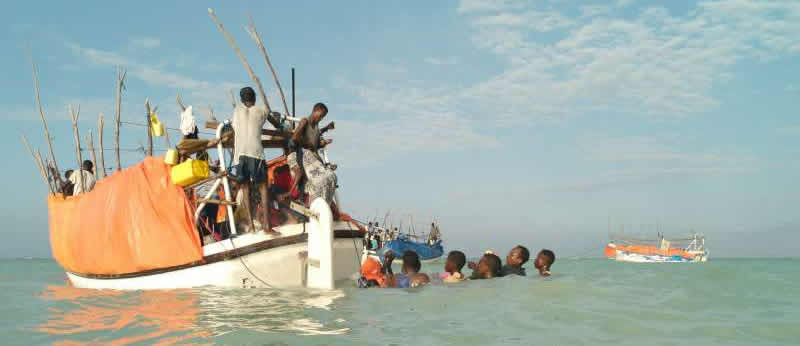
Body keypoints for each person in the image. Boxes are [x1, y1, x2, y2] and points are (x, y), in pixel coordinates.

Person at [231, 87, 277, 234]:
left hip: (239, 155)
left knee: (245, 188)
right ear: (254, 98)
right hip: (255, 153)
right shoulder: (261, 111)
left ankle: (251, 226)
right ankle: (267, 226)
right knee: (263, 187)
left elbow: (234, 125)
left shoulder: (236, 111)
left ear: (241, 100)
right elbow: (270, 115)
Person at [283, 103, 339, 214]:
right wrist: (306, 144)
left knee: (332, 177)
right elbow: (294, 140)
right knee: (321, 181)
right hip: (302, 156)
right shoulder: (304, 122)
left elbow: (315, 144)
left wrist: (323, 142)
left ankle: (323, 207)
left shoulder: (316, 127)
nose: (321, 118)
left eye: (323, 117)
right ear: (314, 111)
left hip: (313, 157)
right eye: (320, 115)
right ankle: (313, 206)